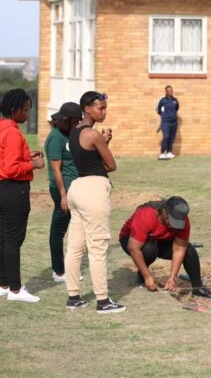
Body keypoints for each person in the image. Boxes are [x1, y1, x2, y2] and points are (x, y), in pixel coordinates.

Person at [65, 91, 125, 313]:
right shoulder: (93, 135)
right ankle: (103, 301)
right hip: (93, 191)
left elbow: (88, 157)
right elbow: (110, 165)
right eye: (100, 108)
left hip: (77, 189)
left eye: (105, 107)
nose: (104, 112)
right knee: (98, 247)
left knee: (75, 248)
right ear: (87, 108)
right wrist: (105, 143)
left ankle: (73, 297)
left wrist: (103, 143)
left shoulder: (75, 132)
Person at [0, 88, 45, 302]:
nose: (28, 113)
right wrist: (34, 164)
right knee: (13, 239)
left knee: (4, 237)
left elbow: (6, 159)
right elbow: (12, 169)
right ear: (15, 110)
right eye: (25, 109)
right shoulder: (12, 132)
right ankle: (15, 289)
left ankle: (4, 285)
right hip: (13, 189)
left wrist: (25, 155)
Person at [119, 197, 211, 299]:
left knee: (189, 250)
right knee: (149, 249)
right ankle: (142, 275)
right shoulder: (146, 215)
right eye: (173, 221)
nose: (174, 226)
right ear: (165, 213)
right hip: (132, 240)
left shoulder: (183, 220)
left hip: (159, 239)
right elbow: (134, 248)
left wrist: (172, 277)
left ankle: (198, 288)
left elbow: (179, 248)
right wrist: (147, 276)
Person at [44, 102, 83, 282]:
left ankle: (69, 267)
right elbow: (56, 169)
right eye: (76, 121)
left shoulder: (69, 134)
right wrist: (63, 195)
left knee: (74, 228)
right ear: (69, 120)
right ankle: (59, 271)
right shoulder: (55, 137)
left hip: (74, 187)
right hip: (62, 189)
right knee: (58, 230)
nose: (78, 124)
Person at [157, 85, 179, 160]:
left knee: (171, 138)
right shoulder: (162, 100)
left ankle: (169, 152)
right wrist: (164, 116)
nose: (170, 92)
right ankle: (162, 153)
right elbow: (158, 109)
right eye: (169, 90)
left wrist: (172, 115)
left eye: (171, 90)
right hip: (165, 122)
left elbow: (176, 109)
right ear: (166, 91)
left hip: (174, 122)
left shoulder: (175, 100)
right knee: (166, 137)